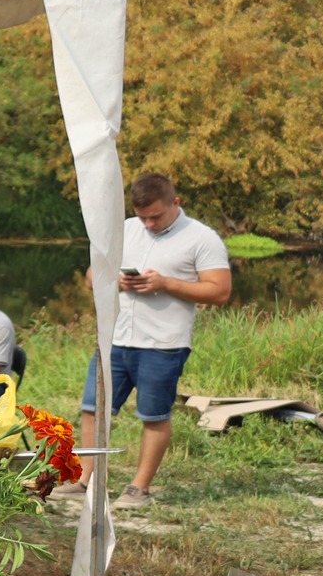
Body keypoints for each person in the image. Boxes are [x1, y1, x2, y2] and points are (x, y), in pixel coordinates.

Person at [71, 173, 231, 508]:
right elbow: (91, 277)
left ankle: (138, 489)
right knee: (92, 409)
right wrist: (113, 281)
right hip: (114, 340)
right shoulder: (127, 228)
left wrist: (167, 284)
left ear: (176, 202)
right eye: (143, 216)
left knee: (154, 415)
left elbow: (220, 291)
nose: (149, 223)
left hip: (163, 343)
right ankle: (85, 479)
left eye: (155, 216)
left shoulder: (202, 238)